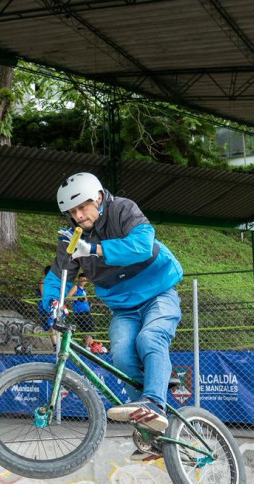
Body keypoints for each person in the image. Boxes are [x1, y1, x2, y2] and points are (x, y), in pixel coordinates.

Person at [42, 172, 183, 461]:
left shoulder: (123, 209)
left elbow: (142, 245)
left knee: (151, 338)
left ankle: (154, 402)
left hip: (159, 292)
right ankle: (151, 432)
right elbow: (60, 277)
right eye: (72, 212)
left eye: (83, 208)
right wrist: (54, 304)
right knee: (121, 356)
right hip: (123, 306)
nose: (78, 216)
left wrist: (94, 249)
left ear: (98, 198)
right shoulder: (72, 238)